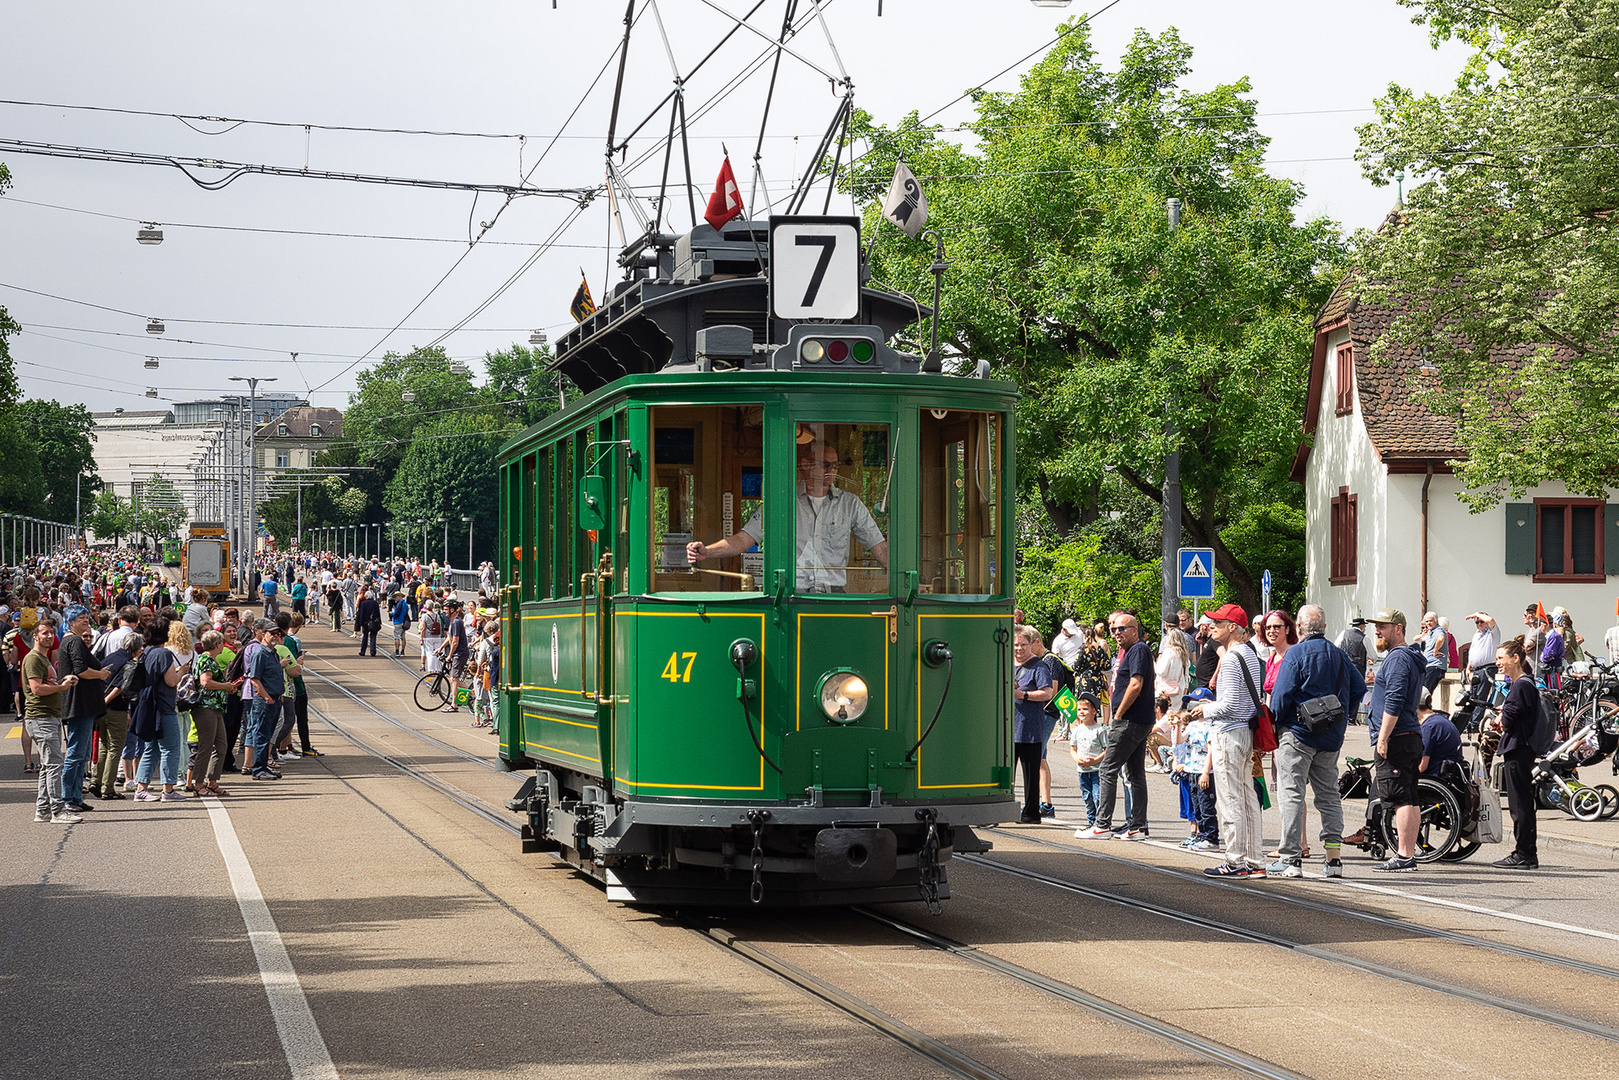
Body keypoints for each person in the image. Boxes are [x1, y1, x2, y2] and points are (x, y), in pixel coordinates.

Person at [687, 441, 888, 593]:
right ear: (806, 464)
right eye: (826, 465)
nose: (832, 472)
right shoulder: (782, 503)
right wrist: (707, 552)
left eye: (835, 466)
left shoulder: (850, 504)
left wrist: (910, 580)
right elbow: (744, 539)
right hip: (791, 596)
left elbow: (879, 547)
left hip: (834, 597)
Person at [1266, 604, 1366, 879]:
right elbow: (1359, 688)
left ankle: (1291, 859)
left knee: (1291, 794)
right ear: (1324, 627)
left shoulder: (1295, 653)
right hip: (1330, 736)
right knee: (1329, 796)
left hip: (1297, 733)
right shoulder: (1339, 654)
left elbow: (1282, 696)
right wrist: (1342, 714)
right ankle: (1333, 859)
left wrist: (1277, 725)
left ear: (1298, 628)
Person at [1184, 604, 1267, 877]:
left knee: (1230, 799)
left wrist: (1204, 709)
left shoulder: (1232, 658)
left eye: (1219, 621)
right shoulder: (1249, 654)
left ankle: (1234, 860)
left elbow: (1230, 703)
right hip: (1245, 731)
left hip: (1229, 732)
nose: (1212, 625)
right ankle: (1254, 861)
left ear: (1233, 627)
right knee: (1246, 797)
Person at [1075, 611, 1155, 840]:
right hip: (1139, 719)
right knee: (1135, 773)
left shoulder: (1138, 649)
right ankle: (1137, 826)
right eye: (1113, 629)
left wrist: (1118, 714)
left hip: (1130, 720)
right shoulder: (1131, 651)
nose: (1116, 633)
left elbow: (1136, 684)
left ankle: (1102, 825)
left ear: (1134, 630)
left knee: (1107, 769)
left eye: (1121, 629)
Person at [1364, 608, 1427, 872]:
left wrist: (1383, 737)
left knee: (1401, 798)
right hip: (1407, 735)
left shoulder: (1399, 659)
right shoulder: (1406, 657)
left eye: (1383, 626)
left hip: (1397, 736)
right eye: (1376, 626)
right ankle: (1407, 855)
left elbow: (1395, 700)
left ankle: (1403, 855)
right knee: (1409, 797)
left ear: (1398, 629)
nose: (1377, 631)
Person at [22, 618, 82, 823]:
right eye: (44, 633)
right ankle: (57, 811)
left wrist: (62, 682)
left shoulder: (43, 659)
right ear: (35, 636)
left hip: (49, 716)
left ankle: (43, 810)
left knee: (49, 766)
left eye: (51, 633)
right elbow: (36, 689)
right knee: (55, 765)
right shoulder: (34, 659)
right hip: (41, 717)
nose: (49, 636)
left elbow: (44, 684)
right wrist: (61, 687)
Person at [1492, 638, 1541, 869]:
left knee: (1519, 804)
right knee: (1522, 802)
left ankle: (1524, 853)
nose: (1498, 662)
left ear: (1515, 659)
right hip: (1522, 748)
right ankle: (1526, 853)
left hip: (1518, 749)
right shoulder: (1525, 684)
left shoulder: (1521, 685)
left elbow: (1509, 720)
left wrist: (1501, 718)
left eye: (1501, 658)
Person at [58, 605, 110, 813]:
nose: (86, 620)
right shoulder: (74, 641)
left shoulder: (72, 641)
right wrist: (100, 674)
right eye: (81, 618)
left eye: (87, 617)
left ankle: (76, 796)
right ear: (70, 621)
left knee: (82, 753)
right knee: (77, 753)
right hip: (79, 703)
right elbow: (80, 670)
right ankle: (68, 797)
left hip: (83, 704)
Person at [130, 618, 187, 802]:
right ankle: (168, 790)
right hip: (163, 705)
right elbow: (171, 681)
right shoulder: (163, 653)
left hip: (147, 704)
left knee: (150, 748)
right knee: (170, 747)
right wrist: (182, 672)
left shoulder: (146, 652)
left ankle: (141, 788)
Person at [1012, 625, 1058, 823]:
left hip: (1029, 728)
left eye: (1023, 644)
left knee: (1031, 773)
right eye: (1015, 645)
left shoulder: (1039, 667)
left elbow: (1047, 693)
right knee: (1006, 775)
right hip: (1008, 729)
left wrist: (1023, 695)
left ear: (1031, 644)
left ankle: (1031, 813)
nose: (1019, 648)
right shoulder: (1006, 664)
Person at [244, 619, 286, 781]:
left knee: (267, 734)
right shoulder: (260, 653)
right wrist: (267, 697)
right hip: (264, 701)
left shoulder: (273, 653)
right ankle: (258, 769)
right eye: (272, 633)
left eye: (278, 634)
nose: (275, 636)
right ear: (263, 635)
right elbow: (255, 678)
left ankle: (262, 766)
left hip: (275, 699)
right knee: (261, 734)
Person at [1066, 692, 1107, 826]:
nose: (1081, 712)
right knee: (1087, 796)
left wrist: (1095, 760)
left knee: (1097, 796)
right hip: (1082, 770)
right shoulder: (1077, 730)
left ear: (1094, 711)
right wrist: (1077, 759)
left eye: (1085, 709)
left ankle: (1099, 822)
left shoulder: (1099, 730)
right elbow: (1073, 749)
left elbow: (1106, 750)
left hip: (1096, 770)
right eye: (1079, 710)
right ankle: (1090, 822)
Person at [1417, 691, 1465, 777]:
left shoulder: (1429, 727)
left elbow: (1421, 767)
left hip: (1436, 776)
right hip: (1451, 773)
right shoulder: (1440, 720)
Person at [440, 600, 473, 714]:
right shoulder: (453, 621)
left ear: (452, 610)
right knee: (453, 678)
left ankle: (454, 705)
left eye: (446, 609)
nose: (444, 612)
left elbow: (455, 641)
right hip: (458, 653)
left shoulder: (456, 622)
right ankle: (472, 693)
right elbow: (449, 638)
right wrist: (440, 648)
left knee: (454, 679)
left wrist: (449, 655)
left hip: (459, 653)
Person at [354, 586, 381, 657]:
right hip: (374, 622)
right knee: (373, 637)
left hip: (366, 623)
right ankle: (373, 651)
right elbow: (378, 614)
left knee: (365, 638)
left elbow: (362, 615)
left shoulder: (364, 604)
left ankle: (363, 651)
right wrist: (379, 622)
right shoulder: (375, 603)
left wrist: (361, 624)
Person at [389, 591, 411, 656]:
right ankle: (403, 651)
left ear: (399, 597)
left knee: (397, 637)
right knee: (403, 637)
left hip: (398, 622)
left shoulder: (399, 604)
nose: (395, 599)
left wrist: (391, 614)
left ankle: (397, 651)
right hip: (404, 622)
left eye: (395, 597)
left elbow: (397, 613)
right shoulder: (405, 604)